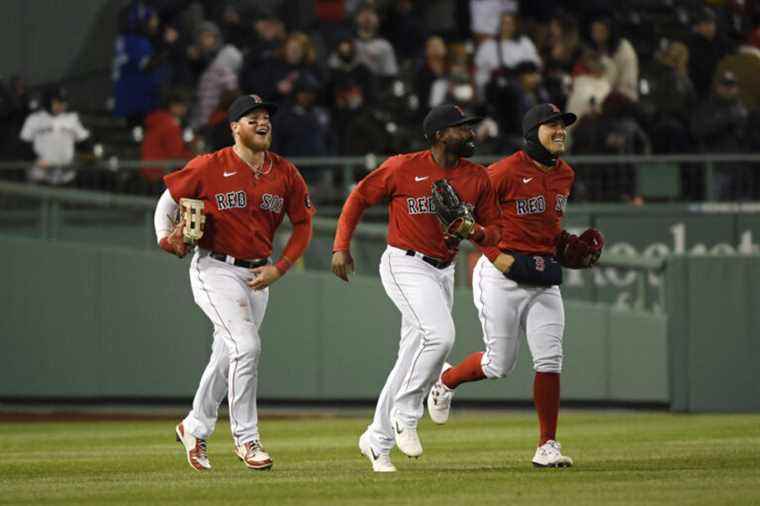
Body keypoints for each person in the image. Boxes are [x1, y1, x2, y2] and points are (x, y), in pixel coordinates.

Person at [426, 103, 603, 468]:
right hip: (501, 275)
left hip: (542, 276)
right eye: (551, 125)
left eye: (563, 126)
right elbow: (464, 215)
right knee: (498, 364)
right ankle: (446, 379)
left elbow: (550, 229)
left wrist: (568, 245)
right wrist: (491, 251)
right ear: (531, 132)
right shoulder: (503, 171)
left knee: (550, 359)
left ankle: (547, 445)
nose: (559, 131)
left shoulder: (564, 174)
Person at [331, 104, 502, 472]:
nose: (471, 134)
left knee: (410, 358)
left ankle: (376, 440)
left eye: (470, 127)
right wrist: (341, 245)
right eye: (461, 128)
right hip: (404, 262)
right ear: (440, 135)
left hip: (443, 270)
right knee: (440, 338)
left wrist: (476, 233)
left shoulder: (478, 177)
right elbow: (359, 197)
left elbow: (494, 231)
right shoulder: (403, 167)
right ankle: (406, 414)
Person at [154, 94, 315, 471]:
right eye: (252, 117)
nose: (263, 123)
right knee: (247, 345)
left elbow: (304, 224)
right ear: (234, 128)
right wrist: (166, 239)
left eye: (266, 117)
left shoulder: (284, 172)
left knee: (228, 355)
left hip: (259, 275)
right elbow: (166, 204)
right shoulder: (209, 165)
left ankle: (193, 426)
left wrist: (283, 266)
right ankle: (247, 438)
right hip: (216, 268)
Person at [19, 87, 90, 186]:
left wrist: (80, 159)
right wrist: (35, 159)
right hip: (40, 175)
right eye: (57, 102)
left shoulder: (72, 119)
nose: (61, 106)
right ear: (48, 102)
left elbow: (84, 142)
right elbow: (24, 145)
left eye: (63, 103)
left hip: (66, 175)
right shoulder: (35, 119)